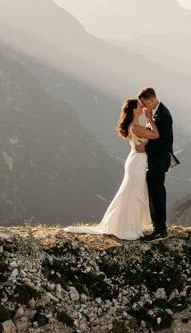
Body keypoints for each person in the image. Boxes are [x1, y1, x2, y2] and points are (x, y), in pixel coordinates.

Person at [63, 98, 160, 240]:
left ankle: (130, 224)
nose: (143, 107)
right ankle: (126, 226)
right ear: (134, 109)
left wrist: (147, 121)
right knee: (133, 193)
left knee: (134, 192)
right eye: (140, 106)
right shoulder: (135, 127)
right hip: (137, 162)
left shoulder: (136, 125)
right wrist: (150, 118)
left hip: (137, 160)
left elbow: (147, 134)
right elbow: (155, 135)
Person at [136, 86, 173, 241]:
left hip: (158, 161)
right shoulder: (156, 111)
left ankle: (160, 230)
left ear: (152, 99)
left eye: (145, 104)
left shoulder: (163, 114)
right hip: (155, 160)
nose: (144, 107)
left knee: (157, 194)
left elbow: (167, 141)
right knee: (153, 193)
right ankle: (157, 226)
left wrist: (147, 148)